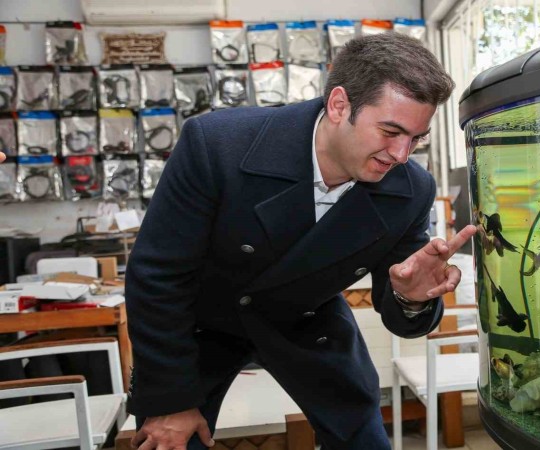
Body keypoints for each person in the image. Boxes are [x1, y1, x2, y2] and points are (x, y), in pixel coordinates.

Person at [127, 32, 476, 450]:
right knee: (172, 439)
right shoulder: (218, 144)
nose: (402, 154)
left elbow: (400, 315)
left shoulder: (412, 190)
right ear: (339, 105)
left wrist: (411, 297)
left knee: (364, 440)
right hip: (198, 324)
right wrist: (170, 401)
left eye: (417, 138)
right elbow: (157, 275)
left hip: (306, 319)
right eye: (390, 131)